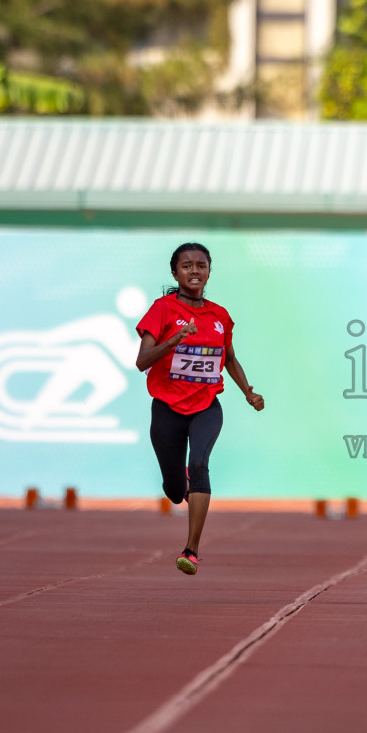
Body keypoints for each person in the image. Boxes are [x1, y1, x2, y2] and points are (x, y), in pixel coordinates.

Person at [135, 243, 264, 575]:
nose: (195, 271)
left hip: (206, 405)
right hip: (167, 408)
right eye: (187, 266)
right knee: (176, 488)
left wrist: (248, 391)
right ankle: (179, 488)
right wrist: (174, 340)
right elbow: (141, 362)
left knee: (200, 464)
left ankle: (191, 550)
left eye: (201, 265)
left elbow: (230, 359)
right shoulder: (161, 309)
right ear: (175, 272)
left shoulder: (219, 316)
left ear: (209, 271)